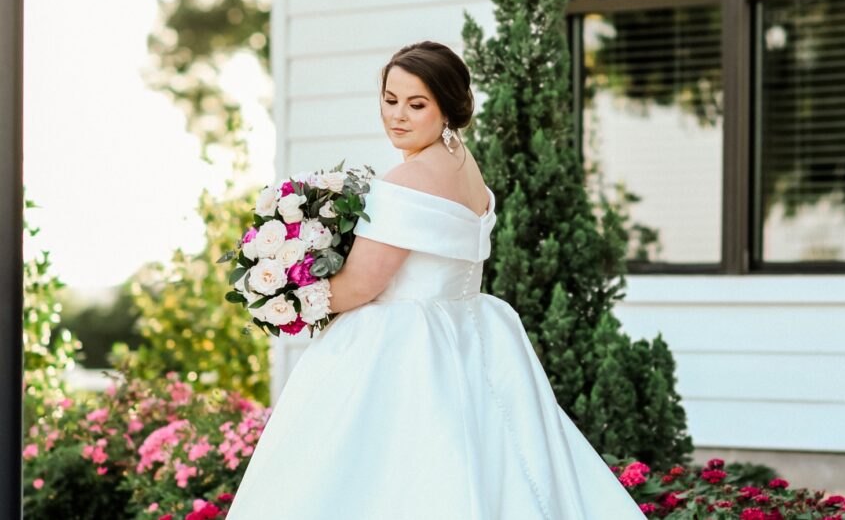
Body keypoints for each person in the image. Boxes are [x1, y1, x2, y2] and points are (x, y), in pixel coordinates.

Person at [226, 41, 646, 519]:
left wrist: (283, 296)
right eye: (390, 100)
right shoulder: (466, 168)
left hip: (404, 346)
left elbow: (363, 284)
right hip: (471, 329)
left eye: (416, 104)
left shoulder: (406, 182)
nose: (397, 116)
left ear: (447, 106)